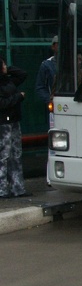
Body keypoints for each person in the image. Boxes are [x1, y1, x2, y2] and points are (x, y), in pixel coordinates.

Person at [0, 56, 28, 197]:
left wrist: (7, 68)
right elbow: (2, 104)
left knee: (16, 155)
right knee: (3, 156)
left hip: (13, 121)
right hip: (3, 123)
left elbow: (22, 74)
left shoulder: (8, 80)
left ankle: (17, 188)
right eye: (3, 64)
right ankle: (2, 189)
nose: (5, 66)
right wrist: (18, 97)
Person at [35, 35, 58, 106]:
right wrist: (49, 100)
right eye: (58, 44)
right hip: (55, 104)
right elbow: (40, 87)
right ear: (53, 47)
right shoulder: (46, 65)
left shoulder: (74, 63)